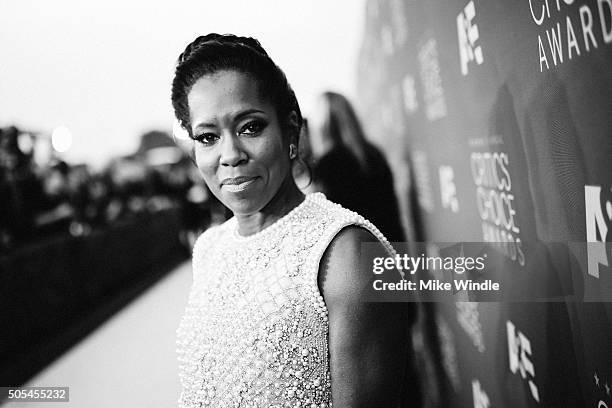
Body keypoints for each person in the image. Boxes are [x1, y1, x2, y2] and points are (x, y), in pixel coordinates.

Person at [172, 33, 416, 407]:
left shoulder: (349, 253)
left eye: (250, 127)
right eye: (207, 137)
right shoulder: (208, 248)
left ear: (290, 131)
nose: (230, 154)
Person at [308, 92, 405, 243]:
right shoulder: (373, 153)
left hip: (357, 255)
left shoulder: (326, 165)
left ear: (321, 125)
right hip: (390, 247)